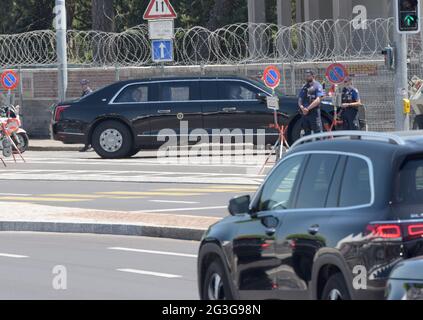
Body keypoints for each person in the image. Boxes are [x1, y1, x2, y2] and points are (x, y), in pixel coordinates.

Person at [298, 70, 325, 136]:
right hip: (305, 113)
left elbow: (318, 99)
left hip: (314, 113)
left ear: (313, 76)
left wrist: (307, 108)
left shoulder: (317, 85)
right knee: (306, 134)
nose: (307, 77)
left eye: (308, 76)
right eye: (306, 76)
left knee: (317, 133)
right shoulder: (304, 87)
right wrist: (302, 107)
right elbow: (300, 99)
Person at [79, 79, 93, 152]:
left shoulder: (89, 92)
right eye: (82, 84)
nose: (83, 86)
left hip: (87, 115)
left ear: (87, 85)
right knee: (85, 130)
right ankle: (87, 145)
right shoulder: (84, 92)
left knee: (87, 130)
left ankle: (88, 146)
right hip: (84, 114)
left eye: (84, 84)